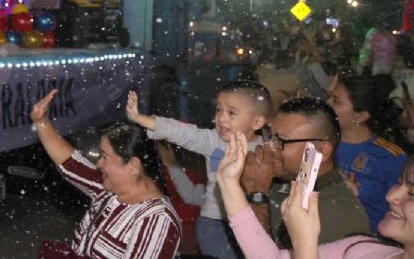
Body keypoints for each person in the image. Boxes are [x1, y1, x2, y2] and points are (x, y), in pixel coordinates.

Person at [127, 81, 272, 259]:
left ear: (257, 122)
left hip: (250, 222)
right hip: (215, 222)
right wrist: (143, 119)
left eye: (231, 112)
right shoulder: (213, 141)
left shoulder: (267, 150)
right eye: (219, 110)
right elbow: (184, 132)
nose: (221, 118)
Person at [32, 89, 181, 258]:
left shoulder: (156, 220)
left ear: (133, 166)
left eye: (105, 156)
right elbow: (70, 163)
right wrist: (41, 121)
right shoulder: (108, 190)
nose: (99, 163)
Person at [218, 131, 405, 258]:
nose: (391, 196)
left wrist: (304, 243)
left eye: (411, 193)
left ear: (322, 149)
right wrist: (229, 184)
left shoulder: (338, 213)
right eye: (399, 183)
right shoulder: (363, 247)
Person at [242, 97, 370, 248]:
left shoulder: (340, 214)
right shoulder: (284, 179)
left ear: (322, 150)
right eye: (269, 136)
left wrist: (257, 194)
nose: (269, 147)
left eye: (281, 141)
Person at [326, 74, 407, 233]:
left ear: (360, 116)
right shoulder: (322, 142)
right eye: (329, 97)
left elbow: (403, 212)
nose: (327, 103)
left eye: (336, 101)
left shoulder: (389, 157)